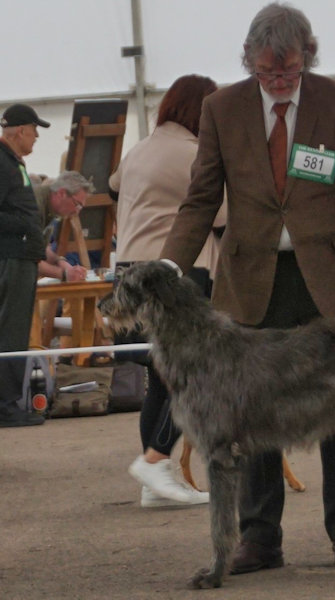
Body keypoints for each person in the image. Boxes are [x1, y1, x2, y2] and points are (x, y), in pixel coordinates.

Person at [159, 2, 335, 573]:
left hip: (331, 281)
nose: (277, 83)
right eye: (267, 73)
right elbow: (201, 198)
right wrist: (172, 266)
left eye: (288, 72)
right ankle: (260, 538)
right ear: (248, 60)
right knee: (248, 413)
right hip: (251, 282)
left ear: (307, 58)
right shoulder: (222, 107)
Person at [108, 74, 224, 508]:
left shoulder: (140, 149)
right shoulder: (193, 155)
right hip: (176, 271)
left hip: (129, 269)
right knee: (195, 375)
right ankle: (155, 462)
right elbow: (223, 214)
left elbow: (112, 186)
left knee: (158, 380)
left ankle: (153, 483)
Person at [0, 104, 51, 427]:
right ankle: (6, 406)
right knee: (12, 332)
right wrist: (23, 225)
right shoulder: (3, 164)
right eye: (34, 131)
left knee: (13, 330)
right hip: (12, 257)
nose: (35, 139)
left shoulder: (11, 163)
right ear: (19, 131)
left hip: (18, 255)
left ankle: (7, 403)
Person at [33, 170, 94, 282]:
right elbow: (27, 260)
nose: (77, 212)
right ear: (61, 193)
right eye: (77, 205)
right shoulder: (34, 206)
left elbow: (40, 248)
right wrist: (65, 274)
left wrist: (60, 262)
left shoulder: (49, 207)